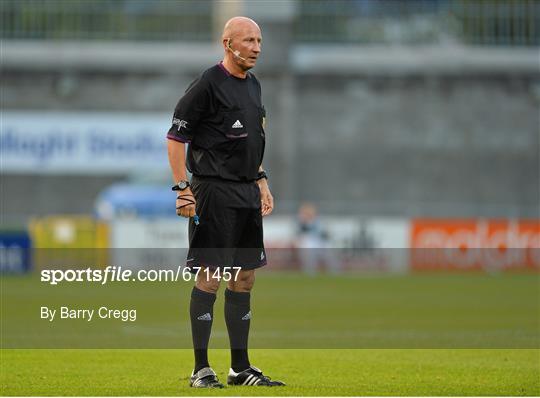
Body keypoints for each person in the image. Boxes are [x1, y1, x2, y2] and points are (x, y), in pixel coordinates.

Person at [166, 16, 285, 389]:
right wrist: (182, 188)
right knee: (211, 276)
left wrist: (261, 180)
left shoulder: (254, 86)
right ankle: (201, 369)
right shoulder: (207, 84)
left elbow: (252, 141)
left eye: (259, 40)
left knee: (244, 278)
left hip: (246, 192)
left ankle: (240, 369)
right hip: (212, 192)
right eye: (249, 40)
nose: (257, 47)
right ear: (228, 43)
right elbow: (175, 138)